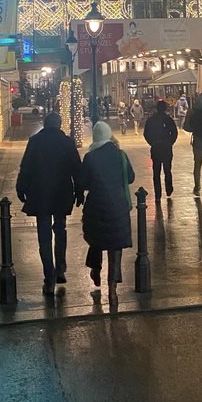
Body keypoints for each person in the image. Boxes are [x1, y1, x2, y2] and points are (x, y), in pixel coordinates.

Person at [15, 112, 82, 296]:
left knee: (44, 235)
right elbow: (77, 168)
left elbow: (26, 166)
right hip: (62, 193)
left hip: (40, 193)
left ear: (45, 124)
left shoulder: (35, 141)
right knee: (60, 229)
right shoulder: (67, 142)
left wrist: (21, 188)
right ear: (59, 125)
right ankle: (60, 267)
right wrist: (79, 191)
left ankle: (49, 276)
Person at [78, 121, 135, 307]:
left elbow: (83, 183)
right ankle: (112, 289)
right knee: (115, 247)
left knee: (97, 240)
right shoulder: (120, 155)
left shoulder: (90, 157)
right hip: (118, 206)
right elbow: (131, 177)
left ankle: (95, 270)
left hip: (96, 206)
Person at [143, 99, 179, 200]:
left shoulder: (151, 120)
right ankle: (169, 189)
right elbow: (175, 133)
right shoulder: (168, 119)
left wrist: (152, 143)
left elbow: (146, 134)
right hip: (166, 148)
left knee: (156, 172)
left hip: (156, 148)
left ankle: (157, 194)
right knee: (167, 170)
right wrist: (170, 142)